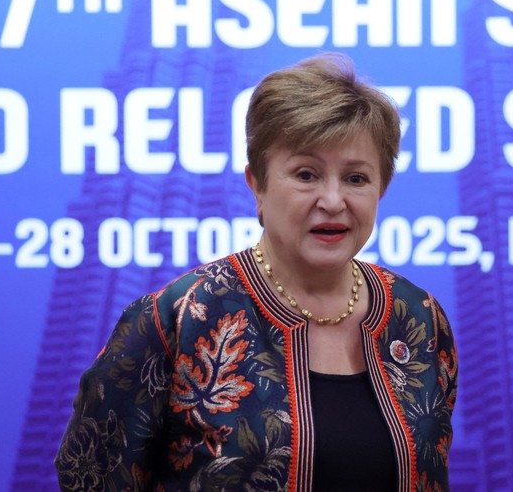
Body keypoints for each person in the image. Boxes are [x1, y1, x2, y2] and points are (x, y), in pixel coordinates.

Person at [55, 53, 458, 491]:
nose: (333, 200)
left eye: (356, 178)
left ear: (382, 188)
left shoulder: (418, 319)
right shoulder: (177, 320)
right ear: (258, 185)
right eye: (306, 174)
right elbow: (89, 478)